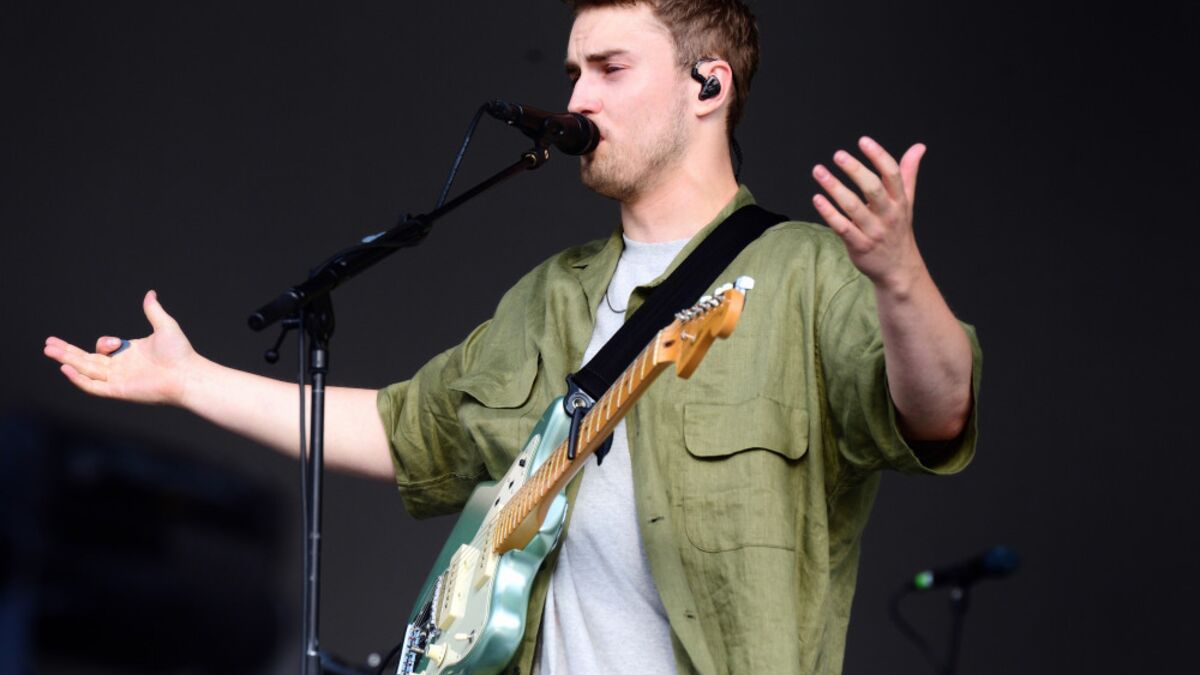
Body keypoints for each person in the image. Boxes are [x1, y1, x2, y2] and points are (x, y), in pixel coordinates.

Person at [43, 1, 981, 673]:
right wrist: (190, 381)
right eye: (572, 70)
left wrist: (900, 277)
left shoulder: (806, 272)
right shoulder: (552, 295)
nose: (577, 97)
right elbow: (409, 433)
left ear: (708, 85)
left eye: (609, 69)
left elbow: (938, 412)